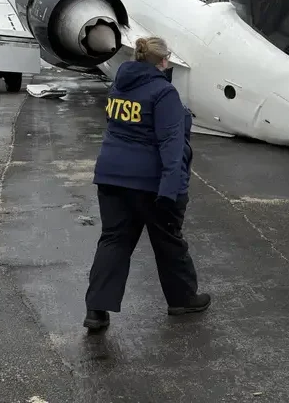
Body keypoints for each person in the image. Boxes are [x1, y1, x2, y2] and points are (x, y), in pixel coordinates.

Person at [83, 36, 210, 331]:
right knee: (168, 240)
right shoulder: (164, 93)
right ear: (164, 61)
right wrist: (172, 190)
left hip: (111, 177)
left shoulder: (119, 86)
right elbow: (171, 145)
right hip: (149, 183)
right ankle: (182, 299)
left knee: (114, 241)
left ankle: (96, 311)